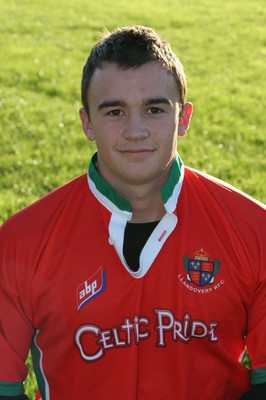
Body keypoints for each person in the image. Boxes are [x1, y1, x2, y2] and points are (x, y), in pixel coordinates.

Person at [0, 25, 265, 400]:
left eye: (155, 109)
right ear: (87, 123)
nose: (135, 130)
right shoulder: (21, 241)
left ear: (184, 118)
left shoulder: (255, 230)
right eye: (115, 111)